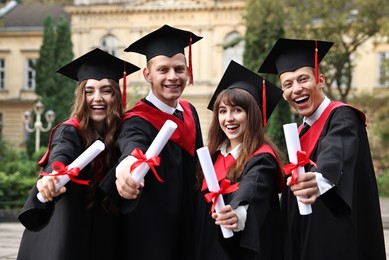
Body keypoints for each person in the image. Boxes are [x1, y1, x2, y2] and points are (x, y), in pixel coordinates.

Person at [258, 38, 386, 260]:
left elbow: (336, 151)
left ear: (320, 80)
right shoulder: (299, 133)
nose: (296, 89)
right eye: (287, 84)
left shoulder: (342, 116)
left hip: (336, 238)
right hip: (304, 237)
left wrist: (318, 179)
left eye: (303, 79)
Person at [17, 48, 140, 260]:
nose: (97, 98)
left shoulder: (123, 130)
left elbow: (133, 144)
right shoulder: (71, 130)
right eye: (89, 91)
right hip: (68, 231)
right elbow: (61, 152)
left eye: (106, 90)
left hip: (104, 233)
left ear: (117, 94)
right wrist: (53, 175)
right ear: (81, 96)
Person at [100, 24, 204, 260]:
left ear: (187, 72)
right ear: (148, 75)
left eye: (179, 69)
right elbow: (132, 147)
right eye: (163, 70)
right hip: (151, 233)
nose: (172, 77)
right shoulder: (136, 120)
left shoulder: (189, 112)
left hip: (188, 225)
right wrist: (127, 168)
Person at [195, 60, 284, 260]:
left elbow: (252, 189)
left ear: (252, 115)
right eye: (223, 111)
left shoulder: (262, 159)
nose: (229, 118)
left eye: (237, 110)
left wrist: (236, 213)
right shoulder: (211, 156)